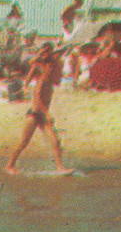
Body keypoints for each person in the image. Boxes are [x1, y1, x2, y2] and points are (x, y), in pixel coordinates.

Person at [6, 43, 74, 175]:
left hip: (42, 115)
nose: (51, 70)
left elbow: (57, 73)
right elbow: (37, 96)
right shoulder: (42, 79)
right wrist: (47, 113)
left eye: (52, 68)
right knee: (24, 141)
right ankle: (10, 165)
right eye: (49, 68)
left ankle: (60, 168)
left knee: (55, 140)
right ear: (45, 68)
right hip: (35, 114)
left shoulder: (49, 79)